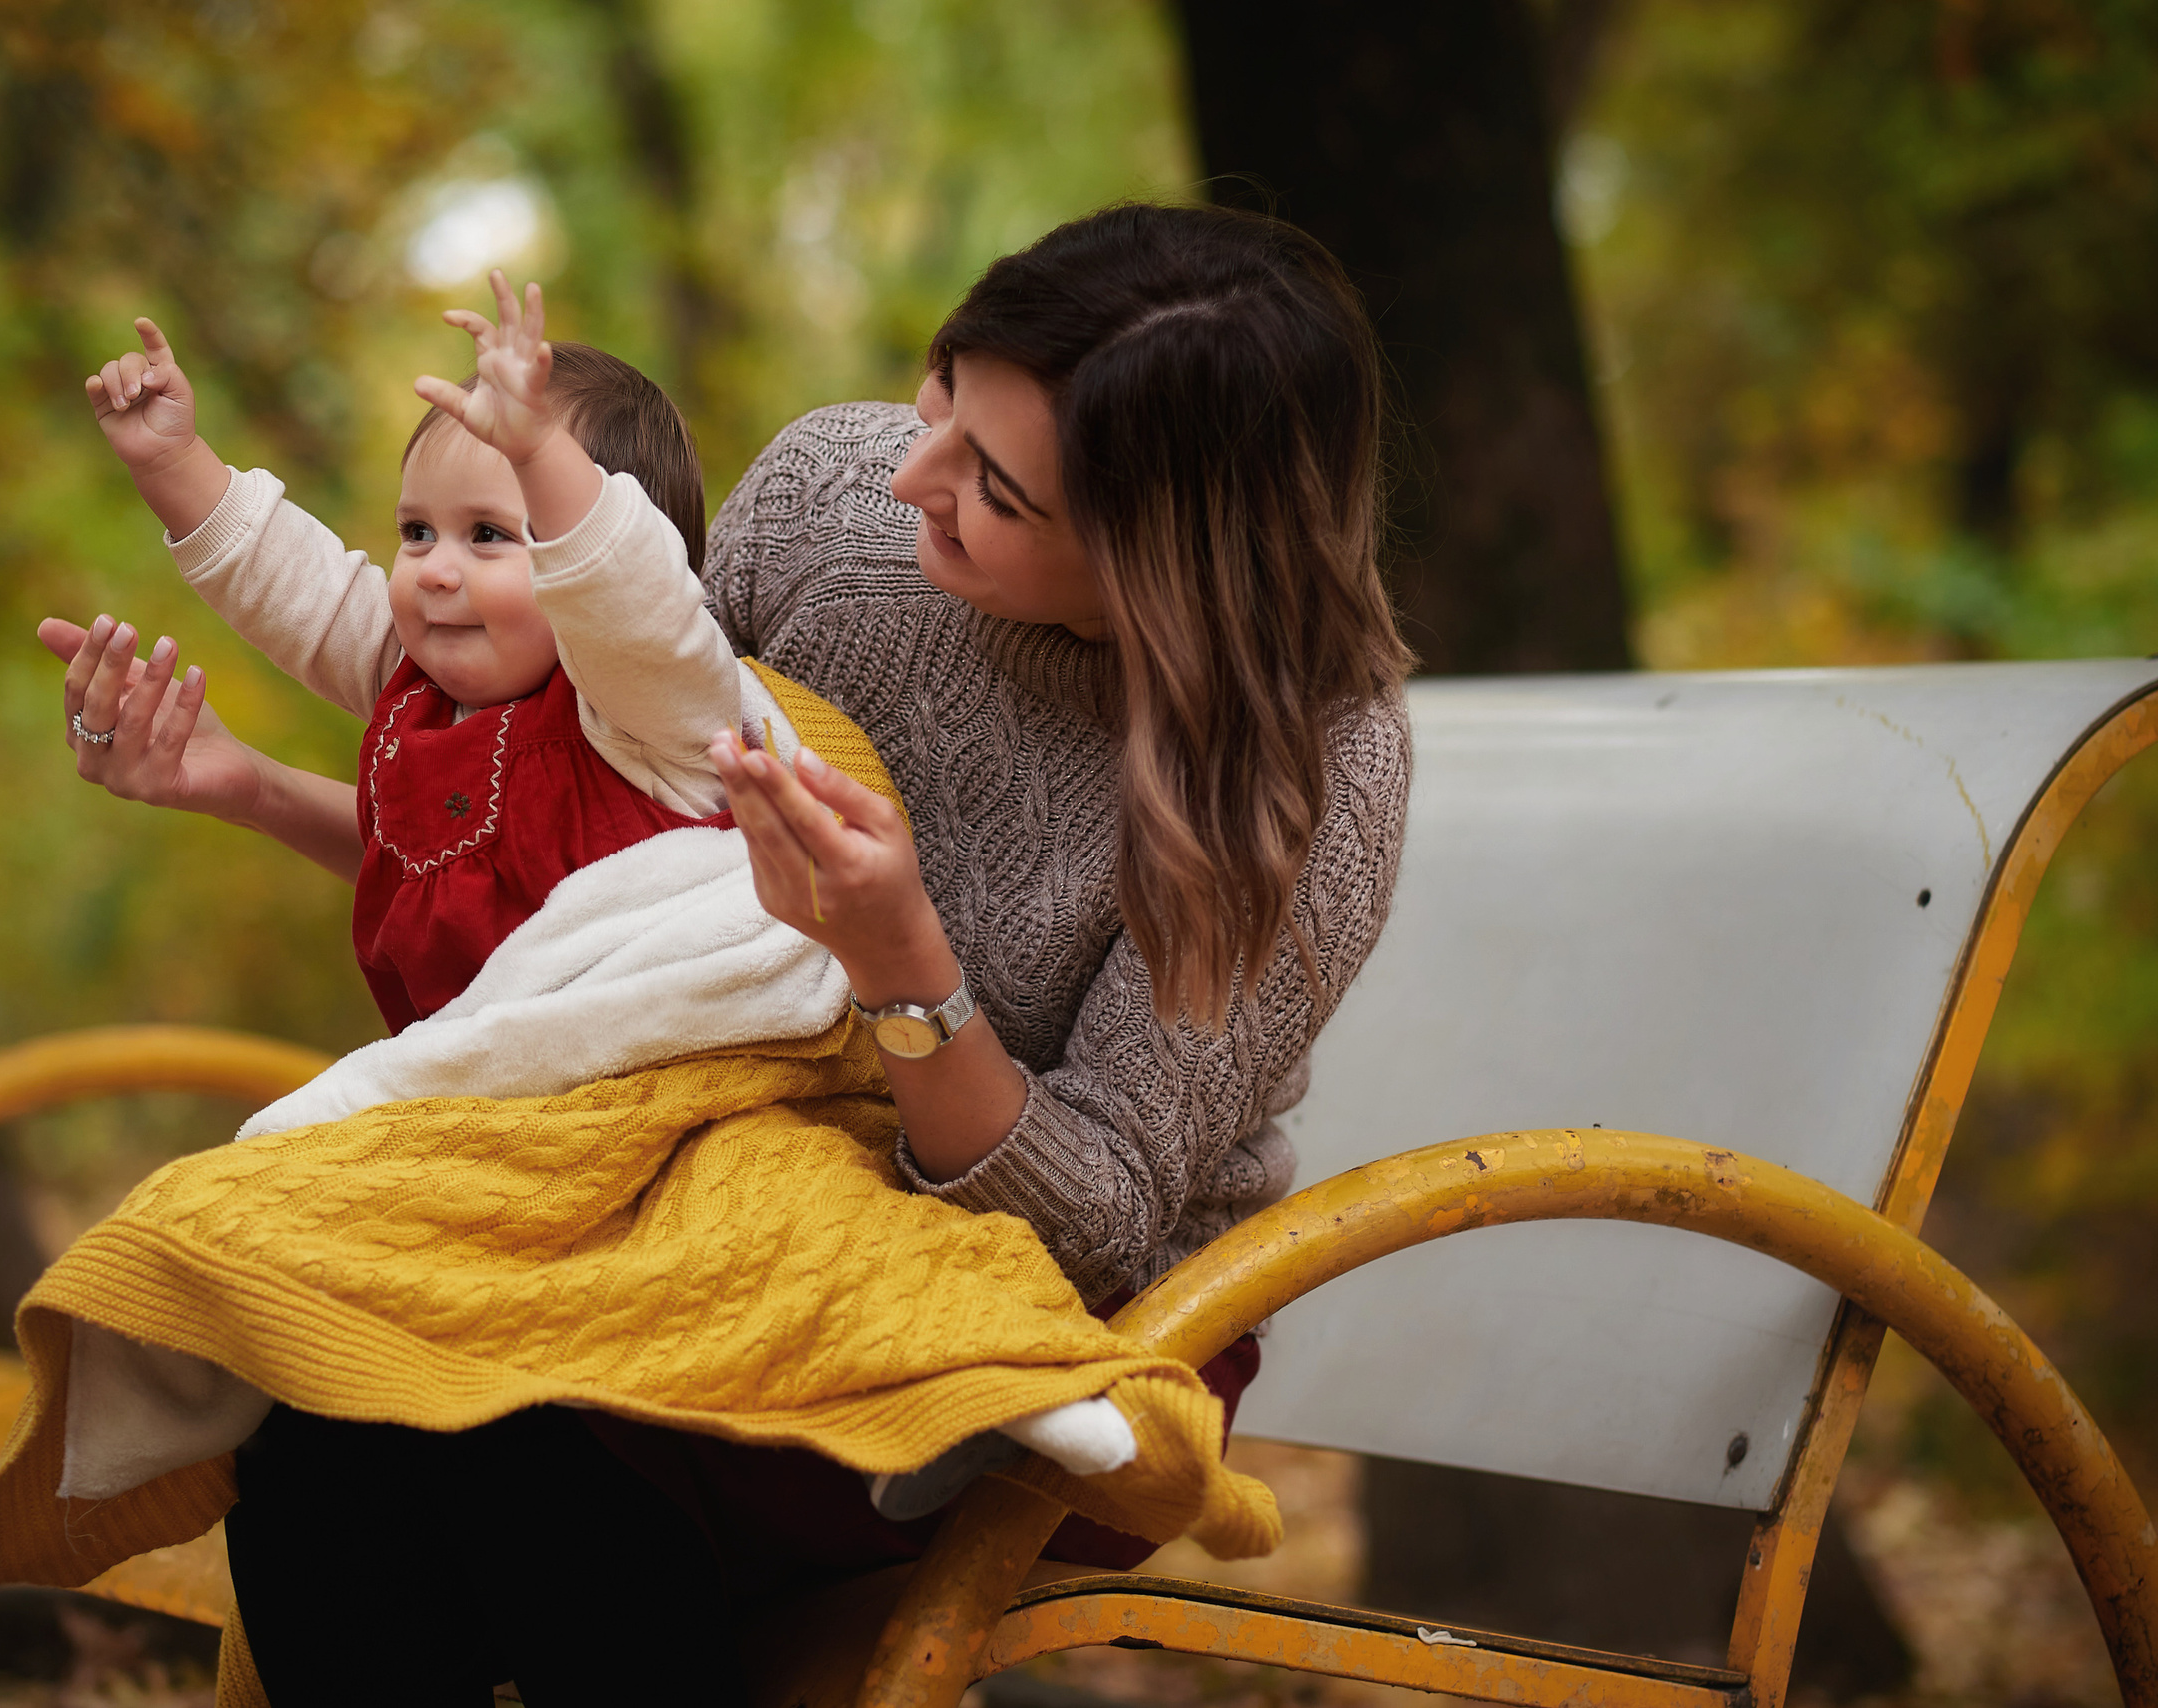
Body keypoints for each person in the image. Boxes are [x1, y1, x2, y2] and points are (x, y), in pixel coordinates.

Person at [201, 202, 1416, 1705]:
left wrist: (900, 954)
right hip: (696, 1193)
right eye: (936, 405)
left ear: (1165, 558)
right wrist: (253, 782)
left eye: (994, 489)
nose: (907, 476)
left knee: (507, 1460)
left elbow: (1097, 1218)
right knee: (325, 1431)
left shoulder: (1302, 770)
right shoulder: (831, 495)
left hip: (1013, 1338)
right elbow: (575, 819)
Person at [48, 273, 809, 1039]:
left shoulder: (651, 710)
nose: (436, 570)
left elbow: (629, 600)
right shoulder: (417, 685)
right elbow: (297, 586)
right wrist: (171, 463)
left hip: (668, 1057)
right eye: (417, 531)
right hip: (493, 1086)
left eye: (487, 534)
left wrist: (540, 450)